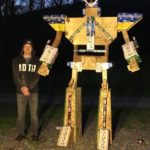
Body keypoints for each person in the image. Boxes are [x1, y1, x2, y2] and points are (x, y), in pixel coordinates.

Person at [12, 39, 40, 141]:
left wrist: (29, 87)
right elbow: (15, 76)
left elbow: (38, 76)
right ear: (23, 48)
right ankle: (20, 133)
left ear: (32, 49)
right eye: (26, 46)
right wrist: (22, 87)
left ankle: (35, 134)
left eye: (30, 47)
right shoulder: (16, 60)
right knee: (20, 115)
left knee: (34, 115)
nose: (27, 48)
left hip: (34, 91)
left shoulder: (37, 61)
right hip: (20, 91)